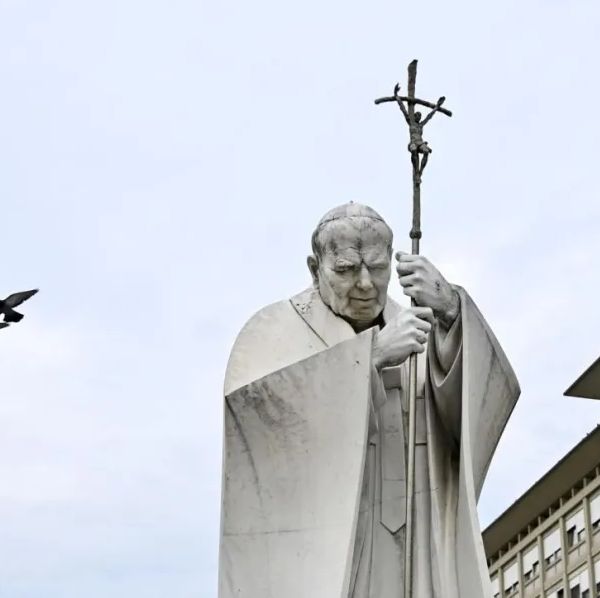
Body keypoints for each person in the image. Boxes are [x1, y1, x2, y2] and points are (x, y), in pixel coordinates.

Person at [218, 202, 520, 598]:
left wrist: (450, 310)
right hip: (327, 554)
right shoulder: (272, 331)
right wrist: (369, 358)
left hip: (417, 546)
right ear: (315, 269)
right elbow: (254, 424)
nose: (364, 284)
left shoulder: (418, 325)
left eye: (377, 268)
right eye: (345, 270)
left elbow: (484, 402)